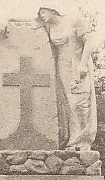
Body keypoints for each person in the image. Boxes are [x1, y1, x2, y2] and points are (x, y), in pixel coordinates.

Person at [36, 7, 99, 150]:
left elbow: (90, 41)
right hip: (62, 68)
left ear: (53, 8)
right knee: (69, 104)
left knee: (81, 103)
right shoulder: (48, 26)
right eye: (39, 12)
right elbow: (27, 24)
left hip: (78, 65)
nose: (41, 15)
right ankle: (72, 140)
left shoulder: (74, 20)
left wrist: (83, 64)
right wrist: (4, 23)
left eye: (43, 11)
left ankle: (83, 142)